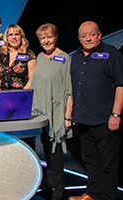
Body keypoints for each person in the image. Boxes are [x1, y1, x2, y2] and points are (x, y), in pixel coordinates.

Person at [69, 21, 123, 200]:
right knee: (90, 160)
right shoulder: (76, 56)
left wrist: (116, 114)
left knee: (108, 162)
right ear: (79, 38)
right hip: (83, 119)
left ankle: (108, 197)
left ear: (99, 35)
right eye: (84, 36)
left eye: (91, 34)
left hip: (105, 119)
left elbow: (120, 86)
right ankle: (92, 194)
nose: (88, 38)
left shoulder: (111, 54)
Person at [31, 23, 72, 200]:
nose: (46, 41)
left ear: (55, 37)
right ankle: (50, 185)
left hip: (56, 113)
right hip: (41, 112)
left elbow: (69, 89)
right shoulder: (39, 57)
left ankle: (60, 189)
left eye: (49, 37)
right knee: (47, 151)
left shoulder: (64, 58)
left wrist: (67, 116)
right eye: (43, 38)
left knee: (55, 153)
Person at [0, 24, 37, 90]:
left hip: (21, 93)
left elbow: (32, 79)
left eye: (17, 34)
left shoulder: (29, 54)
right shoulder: (0, 53)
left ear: (21, 37)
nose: (14, 37)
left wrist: (22, 94)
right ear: (7, 38)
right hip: (2, 94)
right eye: (10, 35)